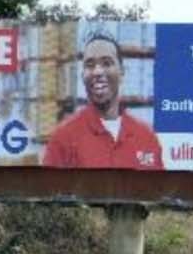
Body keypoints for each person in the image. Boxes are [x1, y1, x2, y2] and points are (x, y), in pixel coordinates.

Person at [43, 31, 164, 170]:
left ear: (122, 72)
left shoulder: (146, 138)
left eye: (107, 63)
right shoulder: (64, 139)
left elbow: (159, 190)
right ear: (83, 75)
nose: (97, 72)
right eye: (90, 65)